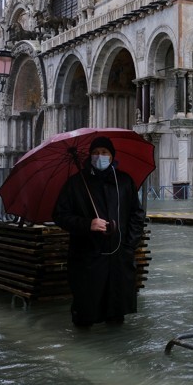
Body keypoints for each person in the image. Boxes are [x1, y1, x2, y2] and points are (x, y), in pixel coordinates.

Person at [53, 136, 146, 328]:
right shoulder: (76, 183)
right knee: (85, 313)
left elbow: (136, 215)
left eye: (104, 153)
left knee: (116, 312)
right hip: (87, 257)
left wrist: (129, 244)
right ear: (89, 156)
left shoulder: (124, 181)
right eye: (95, 153)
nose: (100, 156)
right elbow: (60, 215)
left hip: (119, 256)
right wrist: (88, 224)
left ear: (112, 156)